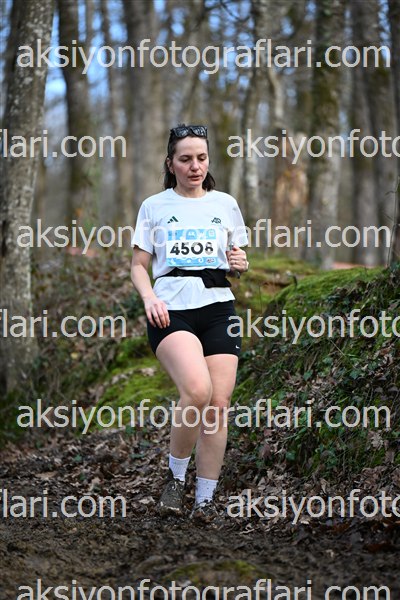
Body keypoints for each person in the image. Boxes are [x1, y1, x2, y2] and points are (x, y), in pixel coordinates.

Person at [131, 124, 248, 522]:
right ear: (171, 164)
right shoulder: (154, 206)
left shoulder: (225, 204)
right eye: (185, 159)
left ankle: (205, 501)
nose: (195, 166)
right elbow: (138, 266)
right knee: (197, 391)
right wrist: (149, 298)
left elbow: (236, 258)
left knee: (218, 405)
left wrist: (241, 263)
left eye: (201, 158)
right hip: (170, 309)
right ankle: (175, 479)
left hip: (218, 308)